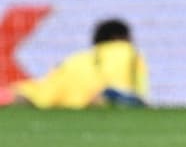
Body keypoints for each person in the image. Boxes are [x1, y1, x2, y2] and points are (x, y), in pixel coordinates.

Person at [0, 19, 148, 109]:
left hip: (63, 101)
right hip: (103, 98)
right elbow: (133, 93)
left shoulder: (74, 60)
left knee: (29, 96)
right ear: (122, 37)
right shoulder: (129, 52)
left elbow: (42, 92)